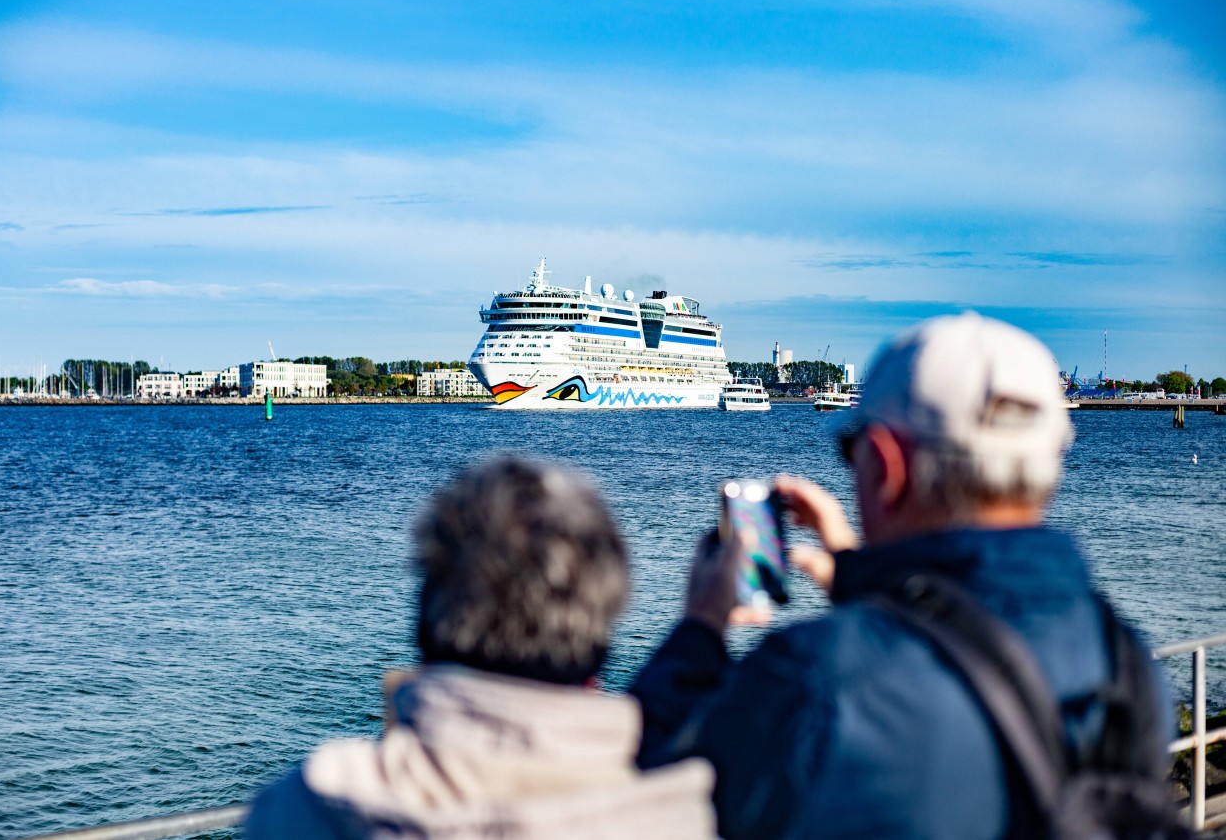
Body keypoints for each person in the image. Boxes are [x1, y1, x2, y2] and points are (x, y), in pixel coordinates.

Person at [630, 313, 1170, 839]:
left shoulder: (814, 679)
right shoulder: (1123, 656)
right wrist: (858, 571)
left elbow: (648, 784)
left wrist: (699, 628)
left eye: (851, 452)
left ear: (888, 466)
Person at [247, 456, 714, 839]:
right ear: (599, 638)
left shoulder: (310, 806)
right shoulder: (680, 818)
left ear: (429, 619)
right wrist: (703, 623)